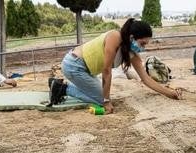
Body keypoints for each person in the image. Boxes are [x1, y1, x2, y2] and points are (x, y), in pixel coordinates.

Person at [50, 18, 181, 113]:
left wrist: (169, 93)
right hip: (74, 65)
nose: (143, 47)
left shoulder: (132, 54)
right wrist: (106, 101)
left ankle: (59, 85)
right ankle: (62, 88)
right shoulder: (114, 36)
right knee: (101, 99)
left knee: (102, 95)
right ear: (131, 37)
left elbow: (146, 79)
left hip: (85, 70)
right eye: (142, 43)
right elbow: (106, 71)